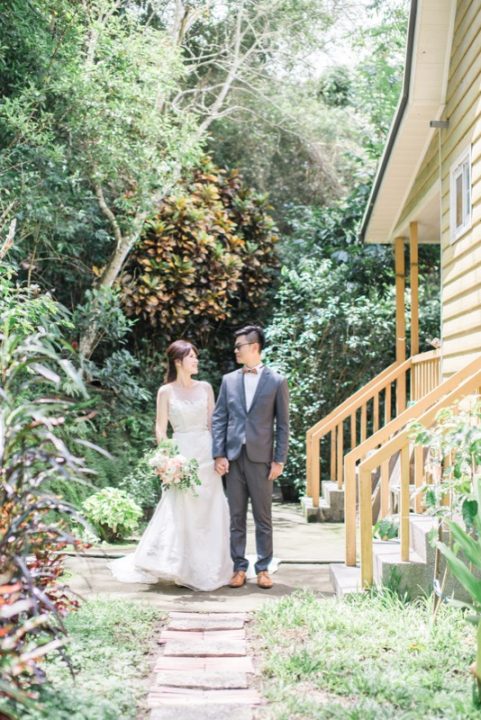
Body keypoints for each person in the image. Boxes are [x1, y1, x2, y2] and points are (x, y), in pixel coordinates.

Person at [108, 340, 233, 592]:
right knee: (180, 510)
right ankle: (181, 566)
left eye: (196, 356)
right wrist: (167, 458)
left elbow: (214, 424)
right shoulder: (165, 391)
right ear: (178, 362)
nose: (196, 360)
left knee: (208, 508)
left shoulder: (206, 388)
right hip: (181, 454)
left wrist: (220, 455)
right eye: (191, 357)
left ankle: (210, 564)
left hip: (205, 454)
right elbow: (160, 427)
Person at [212, 325, 289, 589]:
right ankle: (239, 567)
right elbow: (220, 417)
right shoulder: (228, 380)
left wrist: (279, 460)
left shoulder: (277, 381)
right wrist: (219, 454)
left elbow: (283, 425)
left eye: (239, 346)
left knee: (263, 517)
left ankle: (263, 568)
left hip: (262, 459)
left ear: (254, 347)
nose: (235, 350)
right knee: (236, 517)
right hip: (234, 458)